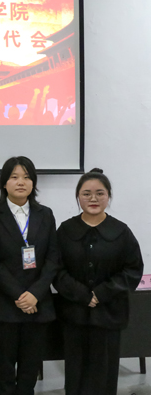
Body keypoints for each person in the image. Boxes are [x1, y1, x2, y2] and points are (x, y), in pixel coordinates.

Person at [54, 168, 143, 395]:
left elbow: (133, 270)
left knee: (104, 374)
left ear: (108, 196)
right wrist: (82, 294)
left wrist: (101, 293)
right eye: (86, 193)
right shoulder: (65, 230)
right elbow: (56, 269)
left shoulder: (121, 231)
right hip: (74, 314)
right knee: (76, 374)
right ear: (78, 197)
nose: (93, 198)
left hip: (109, 314)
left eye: (100, 193)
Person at [0, 156, 59, 395]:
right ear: (4, 183)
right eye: (14, 177)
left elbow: (53, 258)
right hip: (5, 304)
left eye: (27, 177)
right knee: (4, 367)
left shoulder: (45, 214)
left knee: (30, 367)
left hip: (38, 304)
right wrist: (20, 295)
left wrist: (35, 294)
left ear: (33, 183)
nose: (21, 182)